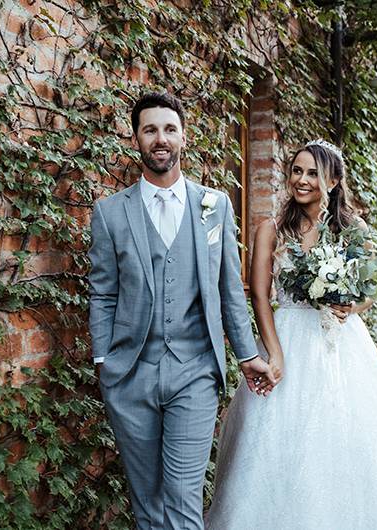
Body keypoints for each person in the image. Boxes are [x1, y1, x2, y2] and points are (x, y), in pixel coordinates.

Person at [204, 140, 377, 529]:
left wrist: (350, 307)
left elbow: (372, 285)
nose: (301, 180)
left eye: (312, 173)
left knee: (344, 436)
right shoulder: (271, 230)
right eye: (296, 171)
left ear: (334, 181)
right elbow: (258, 295)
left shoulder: (351, 231)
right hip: (286, 337)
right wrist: (275, 353)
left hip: (339, 345)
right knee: (276, 443)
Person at [88, 92, 278, 530]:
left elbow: (231, 289)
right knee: (147, 503)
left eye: (169, 129)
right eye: (150, 129)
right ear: (136, 138)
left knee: (182, 498)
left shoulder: (215, 206)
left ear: (183, 138)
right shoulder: (110, 212)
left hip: (194, 373)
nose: (160, 138)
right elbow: (102, 293)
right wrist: (104, 362)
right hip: (130, 375)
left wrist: (249, 355)